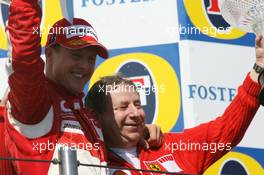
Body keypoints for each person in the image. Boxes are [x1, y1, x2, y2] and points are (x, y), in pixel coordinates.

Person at [0, 0, 162, 175]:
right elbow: (24, 59)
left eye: (91, 59)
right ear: (49, 54)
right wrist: (26, 4)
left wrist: (141, 130)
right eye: (76, 55)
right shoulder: (36, 101)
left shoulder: (85, 113)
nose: (85, 66)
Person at [86, 35, 264, 175]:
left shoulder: (173, 147)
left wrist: (259, 67)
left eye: (138, 104)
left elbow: (226, 129)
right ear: (97, 117)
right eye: (123, 107)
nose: (135, 113)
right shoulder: (89, 163)